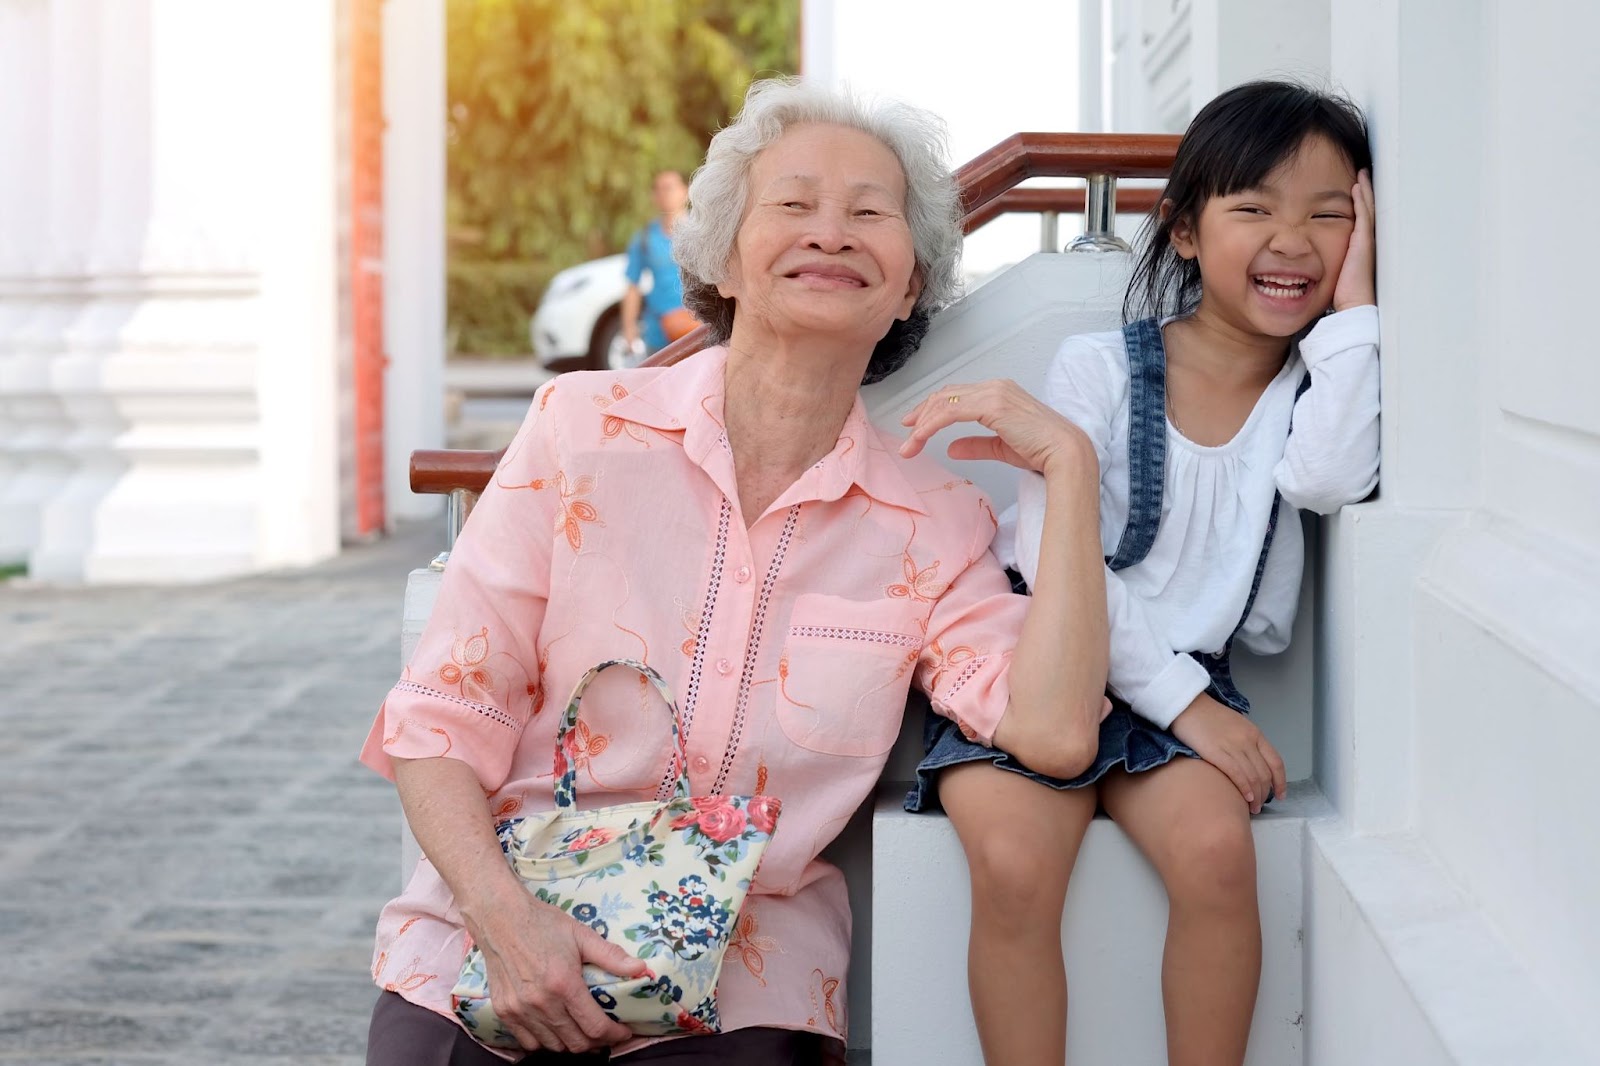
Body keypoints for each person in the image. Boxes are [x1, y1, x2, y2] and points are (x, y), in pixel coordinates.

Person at [360, 76, 1111, 1065]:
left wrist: (1072, 467)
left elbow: (1053, 731)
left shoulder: (935, 525)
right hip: (495, 930)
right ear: (723, 258)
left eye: (869, 214)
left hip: (741, 980)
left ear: (911, 283)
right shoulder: (579, 431)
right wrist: (505, 922)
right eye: (794, 205)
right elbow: (437, 719)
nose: (832, 233)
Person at [907, 80, 1380, 1065]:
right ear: (1186, 232)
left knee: (1216, 855)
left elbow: (1331, 474)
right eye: (1253, 208)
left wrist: (1356, 310)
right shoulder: (1101, 368)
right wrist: (1186, 705)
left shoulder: (1312, 388)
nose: (1291, 239)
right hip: (1044, 661)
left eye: (1328, 216)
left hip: (1179, 690)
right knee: (1012, 859)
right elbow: (1048, 552)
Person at [620, 170, 690, 363]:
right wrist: (629, 329)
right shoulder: (644, 238)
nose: (664, 194)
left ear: (685, 191)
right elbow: (632, 287)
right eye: (658, 189)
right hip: (659, 335)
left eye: (669, 188)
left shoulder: (701, 233)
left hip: (696, 331)